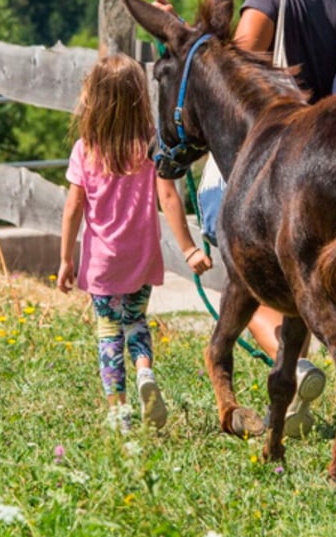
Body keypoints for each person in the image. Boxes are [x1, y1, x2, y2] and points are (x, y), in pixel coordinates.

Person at [153, 0, 336, 438]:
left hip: (272, 160)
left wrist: (181, 31)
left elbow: (228, 71)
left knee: (242, 256)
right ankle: (293, 365)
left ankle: (290, 357)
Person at [57, 54, 213, 433]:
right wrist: (189, 248)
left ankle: (120, 411)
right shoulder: (150, 146)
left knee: (108, 331)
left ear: (94, 99)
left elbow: (73, 207)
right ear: (138, 98)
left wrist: (65, 259)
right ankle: (145, 372)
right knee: (136, 322)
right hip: (141, 259)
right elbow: (170, 198)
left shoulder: (86, 149)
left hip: (102, 265)